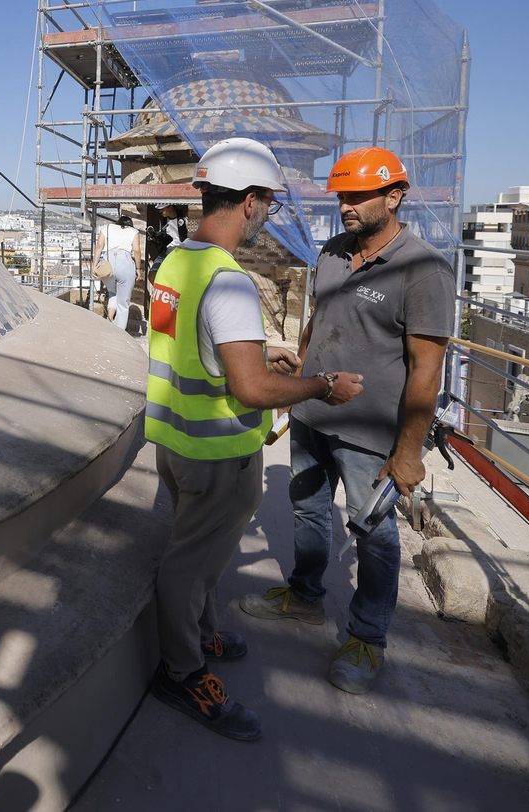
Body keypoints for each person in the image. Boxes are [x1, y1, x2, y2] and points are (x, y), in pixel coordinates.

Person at [147, 137, 363, 741]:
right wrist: (322, 386)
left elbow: (190, 346)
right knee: (189, 565)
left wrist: (260, 352)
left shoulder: (175, 264)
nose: (269, 213)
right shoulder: (231, 281)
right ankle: (181, 672)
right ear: (248, 201)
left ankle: (201, 635)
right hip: (217, 452)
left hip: (176, 440)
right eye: (268, 201)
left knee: (203, 559)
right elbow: (250, 389)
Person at [238, 146, 454, 694]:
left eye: (358, 196)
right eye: (341, 196)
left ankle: (367, 638)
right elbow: (318, 321)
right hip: (314, 412)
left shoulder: (423, 269)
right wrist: (295, 385)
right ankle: (305, 597)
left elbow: (426, 369)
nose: (346, 206)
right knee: (308, 511)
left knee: (373, 534)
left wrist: (409, 452)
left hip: (369, 432)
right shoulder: (333, 252)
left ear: (394, 196)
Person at [91, 213, 142, 331]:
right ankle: (119, 333)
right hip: (125, 264)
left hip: (108, 265)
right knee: (123, 303)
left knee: (113, 293)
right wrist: (138, 269)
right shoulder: (133, 231)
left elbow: (99, 246)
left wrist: (95, 266)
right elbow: (136, 250)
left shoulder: (107, 228)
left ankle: (109, 321)